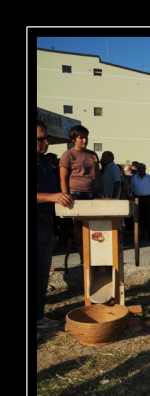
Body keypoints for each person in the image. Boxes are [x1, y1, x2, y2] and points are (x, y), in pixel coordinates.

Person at [36, 120, 73, 338]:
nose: (46, 142)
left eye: (47, 137)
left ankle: (38, 318)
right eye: (41, 138)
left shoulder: (46, 163)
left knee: (42, 275)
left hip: (46, 224)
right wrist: (51, 197)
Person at [59, 125, 104, 263]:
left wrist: (103, 194)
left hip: (94, 193)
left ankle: (96, 257)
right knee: (79, 227)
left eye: (86, 137)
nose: (84, 140)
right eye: (81, 138)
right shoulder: (68, 155)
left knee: (96, 225)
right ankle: (83, 258)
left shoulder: (93, 155)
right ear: (73, 139)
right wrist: (65, 195)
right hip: (76, 194)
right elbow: (63, 178)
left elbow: (98, 176)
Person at [131, 162, 150, 241]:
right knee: (139, 218)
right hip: (138, 199)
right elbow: (132, 188)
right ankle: (140, 235)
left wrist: (148, 196)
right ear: (138, 169)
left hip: (148, 199)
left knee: (149, 218)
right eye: (141, 168)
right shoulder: (134, 178)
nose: (143, 170)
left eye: (144, 168)